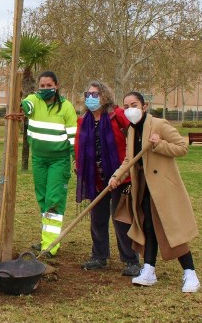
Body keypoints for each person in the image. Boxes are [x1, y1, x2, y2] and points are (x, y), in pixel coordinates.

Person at [108, 91, 201, 293]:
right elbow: (129, 159)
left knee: (170, 229)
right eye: (126, 106)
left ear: (144, 106)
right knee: (147, 226)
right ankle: (149, 270)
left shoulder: (159, 124)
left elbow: (182, 147)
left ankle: (190, 273)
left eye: (134, 104)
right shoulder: (131, 130)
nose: (130, 109)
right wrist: (117, 176)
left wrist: (159, 144)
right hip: (143, 186)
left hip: (162, 188)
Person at [75, 81, 140, 276]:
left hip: (120, 177)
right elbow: (79, 145)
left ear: (104, 96)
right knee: (98, 219)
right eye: (88, 94)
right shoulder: (83, 120)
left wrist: (124, 171)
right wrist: (79, 166)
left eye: (95, 94)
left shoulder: (118, 116)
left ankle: (130, 260)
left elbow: (137, 135)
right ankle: (99, 256)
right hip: (95, 178)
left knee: (121, 219)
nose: (90, 98)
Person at [20, 71, 77, 257]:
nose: (45, 89)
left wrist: (75, 158)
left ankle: (51, 245)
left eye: (48, 85)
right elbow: (26, 105)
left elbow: (73, 137)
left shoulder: (66, 107)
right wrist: (21, 103)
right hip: (38, 159)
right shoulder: (34, 100)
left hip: (58, 160)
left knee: (54, 199)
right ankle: (46, 238)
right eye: (42, 86)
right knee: (43, 198)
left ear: (56, 85)